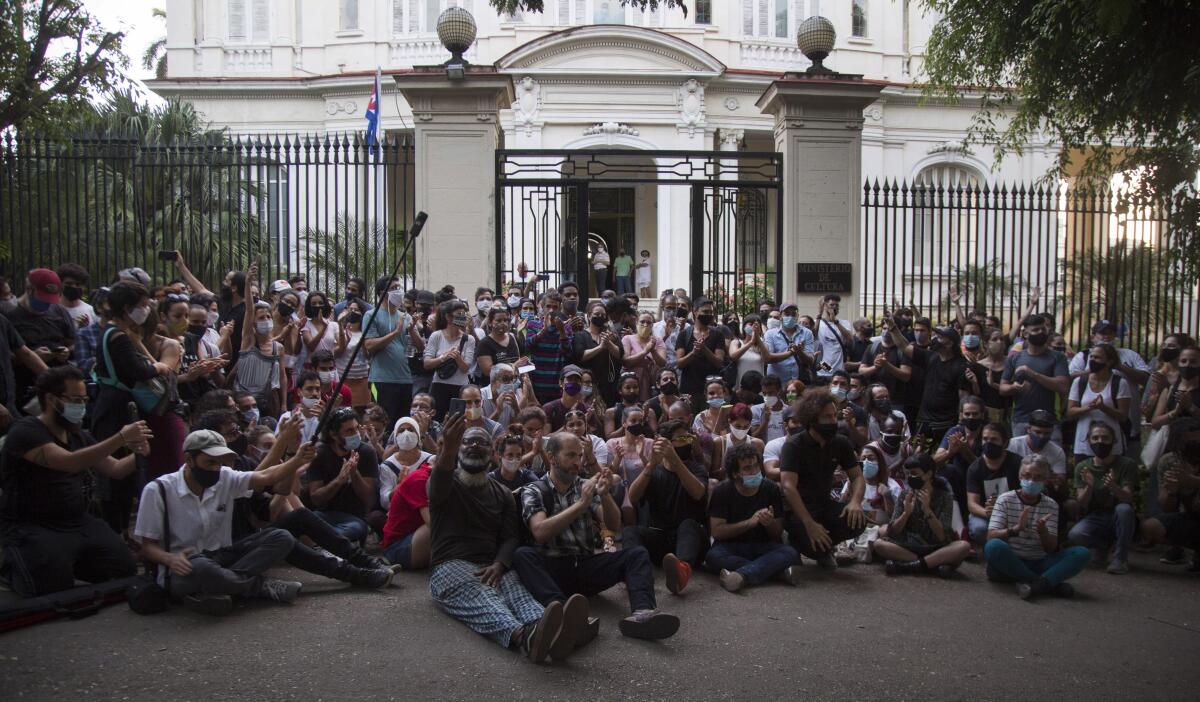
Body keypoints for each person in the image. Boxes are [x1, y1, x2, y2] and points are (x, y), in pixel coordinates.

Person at [0, 367, 153, 596]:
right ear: (51, 399)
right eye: (74, 400)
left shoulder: (77, 435)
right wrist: (121, 437)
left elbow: (115, 469)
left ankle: (71, 561)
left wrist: (139, 453)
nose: (81, 406)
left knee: (123, 567)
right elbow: (69, 462)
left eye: (83, 399)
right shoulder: (26, 431)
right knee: (49, 586)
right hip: (32, 524)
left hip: (77, 521)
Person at [133, 430, 324, 613]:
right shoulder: (158, 490)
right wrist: (171, 559)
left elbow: (266, 476)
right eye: (209, 462)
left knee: (282, 538)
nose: (216, 468)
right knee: (203, 567)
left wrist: (297, 459)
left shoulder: (224, 476)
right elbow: (147, 547)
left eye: (219, 462)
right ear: (189, 460)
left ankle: (219, 588)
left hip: (224, 558)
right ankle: (258, 586)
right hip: (185, 568)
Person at [514, 431, 679, 642]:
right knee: (523, 555)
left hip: (583, 565)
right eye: (570, 456)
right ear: (552, 457)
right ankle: (567, 615)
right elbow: (540, 532)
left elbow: (614, 524)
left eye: (579, 456)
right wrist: (580, 505)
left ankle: (643, 614)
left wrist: (605, 494)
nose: (577, 462)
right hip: (552, 568)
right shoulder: (535, 489)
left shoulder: (584, 485)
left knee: (635, 554)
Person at [427, 417, 569, 663]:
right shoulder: (445, 483)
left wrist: (500, 564)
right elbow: (438, 484)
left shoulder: (502, 493)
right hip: (451, 565)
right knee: (484, 595)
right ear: (458, 450)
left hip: (492, 564)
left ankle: (549, 629)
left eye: (481, 443)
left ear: (492, 453)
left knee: (516, 590)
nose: (473, 446)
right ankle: (525, 636)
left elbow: (510, 536)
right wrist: (448, 448)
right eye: (467, 442)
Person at [778, 389, 867, 568]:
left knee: (857, 522)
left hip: (824, 504)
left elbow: (857, 476)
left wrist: (855, 502)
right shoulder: (794, 445)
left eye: (835, 415)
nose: (833, 421)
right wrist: (810, 524)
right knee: (811, 544)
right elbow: (788, 487)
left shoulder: (840, 442)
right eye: (827, 417)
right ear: (812, 419)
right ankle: (794, 541)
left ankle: (825, 546)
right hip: (796, 510)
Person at [983, 455, 1090, 600]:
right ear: (1020, 476)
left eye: (1038, 478)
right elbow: (991, 536)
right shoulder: (1005, 499)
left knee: (1082, 553)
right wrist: (1015, 529)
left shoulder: (1051, 505)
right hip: (1010, 560)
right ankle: (1046, 584)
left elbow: (1050, 548)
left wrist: (1043, 532)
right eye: (1027, 476)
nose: (1031, 481)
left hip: (1039, 561)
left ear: (1045, 481)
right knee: (993, 547)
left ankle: (1034, 583)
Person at [623, 419, 709, 595]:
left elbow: (698, 492)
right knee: (630, 532)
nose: (687, 442)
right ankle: (635, 571)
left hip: (691, 542)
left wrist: (675, 461)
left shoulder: (697, 468)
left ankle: (681, 571)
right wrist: (651, 464)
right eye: (681, 438)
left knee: (688, 525)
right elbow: (633, 497)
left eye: (688, 438)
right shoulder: (655, 471)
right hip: (661, 539)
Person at [705, 443, 799, 592]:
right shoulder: (722, 491)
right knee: (713, 556)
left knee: (790, 553)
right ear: (736, 473)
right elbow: (717, 532)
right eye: (747, 468)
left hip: (763, 545)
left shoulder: (770, 488)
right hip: (730, 546)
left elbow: (777, 533)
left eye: (756, 466)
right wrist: (749, 523)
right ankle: (774, 572)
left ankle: (741, 576)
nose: (755, 471)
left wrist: (768, 523)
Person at [872, 454, 971, 576]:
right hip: (908, 546)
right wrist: (906, 513)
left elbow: (942, 536)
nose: (910, 477)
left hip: (936, 546)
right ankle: (929, 564)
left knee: (963, 547)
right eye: (907, 474)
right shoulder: (905, 495)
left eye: (914, 473)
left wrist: (927, 510)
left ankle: (909, 566)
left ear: (929, 474)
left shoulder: (944, 497)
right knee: (879, 544)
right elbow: (893, 532)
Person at [1068, 423, 1138, 574]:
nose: (1100, 442)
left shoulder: (1126, 464)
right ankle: (1102, 547)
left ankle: (1120, 559)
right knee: (1075, 535)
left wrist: (1114, 487)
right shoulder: (1083, 467)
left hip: (1119, 516)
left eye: (1105, 438)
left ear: (1114, 440)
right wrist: (1089, 486)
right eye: (1095, 438)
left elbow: (1127, 498)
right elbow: (1082, 502)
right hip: (1095, 516)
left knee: (1124, 510)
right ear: (1089, 441)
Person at [306, 408, 380, 544]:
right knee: (304, 522)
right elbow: (316, 498)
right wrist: (339, 481)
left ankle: (324, 544)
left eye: (357, 428)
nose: (356, 434)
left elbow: (369, 499)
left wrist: (354, 473)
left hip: (354, 519)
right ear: (334, 435)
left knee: (353, 530)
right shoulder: (320, 453)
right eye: (349, 431)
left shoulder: (367, 452)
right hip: (324, 514)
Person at [5, 268, 76, 405]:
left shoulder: (59, 311)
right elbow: (6, 357)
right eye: (43, 298)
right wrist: (32, 356)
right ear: (29, 289)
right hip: (26, 388)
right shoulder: (9, 315)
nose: (47, 303)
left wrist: (67, 351)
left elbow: (72, 343)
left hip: (60, 384)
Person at [1140, 417, 1200, 571]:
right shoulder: (1169, 461)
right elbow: (1166, 506)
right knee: (1151, 527)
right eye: (1189, 442)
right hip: (1191, 517)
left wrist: (1191, 481)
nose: (1195, 445)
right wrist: (1171, 492)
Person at [1001, 314, 1071, 440]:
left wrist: (1033, 374)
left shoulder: (1057, 357)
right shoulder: (1015, 357)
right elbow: (1002, 389)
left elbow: (1063, 386)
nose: (1040, 332)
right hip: (1021, 420)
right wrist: (1014, 387)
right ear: (1026, 334)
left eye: (1043, 329)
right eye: (1035, 330)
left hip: (1050, 421)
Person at [364, 275, 419, 427]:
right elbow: (369, 345)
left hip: (404, 379)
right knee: (382, 423)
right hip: (381, 380)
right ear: (382, 293)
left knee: (401, 424)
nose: (398, 291)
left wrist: (413, 330)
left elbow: (420, 347)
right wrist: (395, 332)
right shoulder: (371, 315)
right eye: (394, 288)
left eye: (399, 288)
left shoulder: (406, 316)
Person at [1065, 342, 1133, 460]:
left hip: (1111, 442)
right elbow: (1070, 412)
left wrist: (1103, 407)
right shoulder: (1080, 382)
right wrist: (1089, 407)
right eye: (1091, 356)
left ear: (1109, 361)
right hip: (1083, 443)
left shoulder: (1120, 383)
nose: (1092, 360)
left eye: (1097, 357)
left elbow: (1123, 416)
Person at [381, 433, 435, 571]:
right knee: (440, 524)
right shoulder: (419, 479)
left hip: (414, 537)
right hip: (397, 547)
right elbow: (432, 522)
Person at [965, 423, 1021, 544]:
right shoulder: (975, 468)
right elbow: (972, 504)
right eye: (985, 439)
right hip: (986, 514)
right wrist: (988, 513)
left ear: (1005, 443)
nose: (989, 443)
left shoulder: (1017, 462)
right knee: (979, 529)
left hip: (1013, 511)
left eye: (994, 439)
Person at [423, 299, 476, 420]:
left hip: (459, 386)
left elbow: (465, 368)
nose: (462, 318)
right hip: (439, 385)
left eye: (464, 315)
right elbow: (427, 363)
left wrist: (457, 357)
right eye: (459, 315)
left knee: (458, 421)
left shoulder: (469, 339)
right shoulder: (437, 336)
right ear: (448, 317)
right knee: (437, 419)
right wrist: (443, 357)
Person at [524, 291, 577, 405]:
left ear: (559, 308)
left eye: (555, 307)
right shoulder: (533, 324)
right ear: (542, 307)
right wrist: (544, 330)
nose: (551, 310)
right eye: (548, 306)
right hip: (537, 385)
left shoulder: (566, 327)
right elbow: (528, 345)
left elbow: (568, 353)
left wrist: (562, 331)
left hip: (556, 386)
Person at [675, 299, 727, 412]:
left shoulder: (718, 335)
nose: (708, 315)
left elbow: (719, 362)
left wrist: (704, 349)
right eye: (705, 311)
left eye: (711, 312)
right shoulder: (684, 335)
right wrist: (693, 353)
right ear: (695, 311)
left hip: (711, 391)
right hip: (689, 390)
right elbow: (679, 363)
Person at [572, 300, 623, 404]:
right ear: (590, 316)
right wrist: (600, 347)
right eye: (597, 314)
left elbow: (619, 354)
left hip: (608, 384)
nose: (600, 317)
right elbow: (580, 356)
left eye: (603, 315)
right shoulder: (580, 335)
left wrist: (609, 343)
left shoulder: (610, 335)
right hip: (588, 383)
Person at [379, 417, 433, 508]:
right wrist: (400, 485)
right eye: (401, 430)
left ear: (418, 436)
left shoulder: (430, 460)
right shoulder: (387, 466)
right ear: (396, 437)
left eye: (411, 430)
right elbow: (384, 502)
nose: (406, 433)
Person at [763, 301, 815, 385]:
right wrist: (791, 352)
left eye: (793, 314)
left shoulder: (806, 333)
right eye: (787, 314)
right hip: (776, 384)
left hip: (798, 383)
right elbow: (768, 358)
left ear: (797, 316)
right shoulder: (770, 334)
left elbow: (810, 360)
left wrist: (800, 352)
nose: (790, 317)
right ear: (781, 316)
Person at [622, 311, 666, 402]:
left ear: (652, 325)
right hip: (630, 384)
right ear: (636, 322)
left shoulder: (657, 341)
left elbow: (662, 363)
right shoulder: (628, 339)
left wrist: (653, 350)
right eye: (642, 322)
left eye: (649, 322)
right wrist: (645, 351)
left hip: (651, 383)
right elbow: (625, 361)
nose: (645, 324)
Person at [813, 294, 854, 381]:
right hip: (823, 367)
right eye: (831, 305)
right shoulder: (818, 322)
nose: (834, 307)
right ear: (825, 306)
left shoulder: (844, 323)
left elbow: (850, 338)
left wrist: (835, 321)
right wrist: (819, 314)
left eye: (837, 305)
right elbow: (813, 335)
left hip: (839, 368)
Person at [56, 263, 97, 329]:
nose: (73, 287)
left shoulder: (91, 311)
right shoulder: (51, 310)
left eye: (78, 284)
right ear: (60, 284)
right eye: (69, 283)